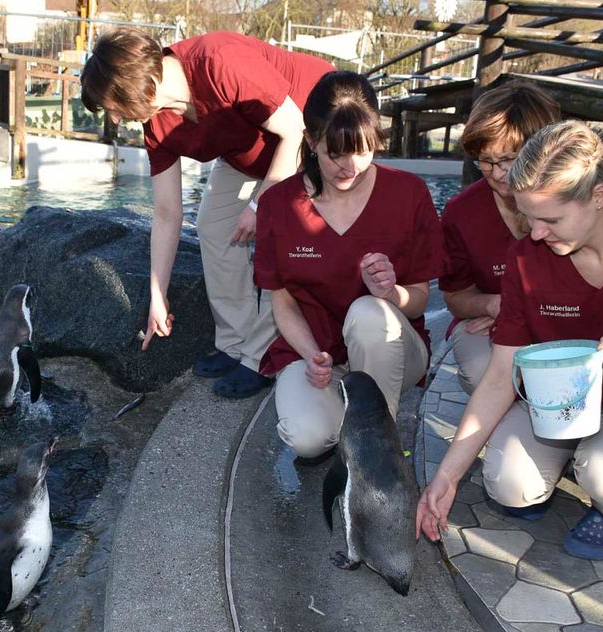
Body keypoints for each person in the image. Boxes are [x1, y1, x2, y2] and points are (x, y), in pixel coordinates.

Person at [81, 28, 334, 398]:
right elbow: (168, 213)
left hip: (314, 130)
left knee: (282, 232)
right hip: (248, 152)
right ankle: (236, 342)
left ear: (133, 87)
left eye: (113, 107)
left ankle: (262, 356)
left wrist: (258, 204)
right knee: (213, 225)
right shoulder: (157, 124)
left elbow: (294, 131)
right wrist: (157, 295)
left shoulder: (220, 62)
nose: (115, 120)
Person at [417, 120, 603, 560]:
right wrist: (447, 476)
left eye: (551, 219)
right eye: (528, 217)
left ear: (598, 197)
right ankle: (571, 456)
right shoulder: (527, 258)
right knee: (510, 484)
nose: (536, 233)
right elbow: (501, 374)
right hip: (558, 404)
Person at [254, 70, 445, 460]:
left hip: (392, 351)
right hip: (316, 351)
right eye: (335, 153)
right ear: (310, 141)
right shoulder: (277, 205)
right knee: (308, 439)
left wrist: (391, 293)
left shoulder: (409, 194)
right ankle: (340, 409)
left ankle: (376, 447)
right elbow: (282, 300)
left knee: (369, 312)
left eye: (362, 150)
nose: (350, 166)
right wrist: (310, 354)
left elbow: (422, 300)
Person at [439, 82, 560, 394]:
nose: (496, 173)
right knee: (484, 369)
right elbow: (456, 297)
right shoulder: (461, 212)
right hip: (489, 322)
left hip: (561, 322)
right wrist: (493, 305)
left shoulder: (574, 203)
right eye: (486, 161)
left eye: (509, 159)